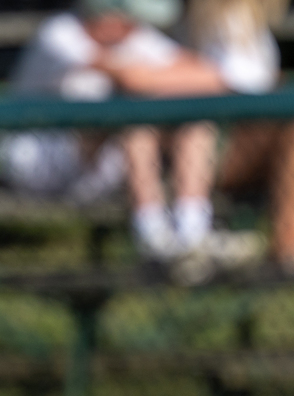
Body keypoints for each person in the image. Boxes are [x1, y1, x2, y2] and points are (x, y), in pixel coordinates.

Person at [2, 0, 230, 264]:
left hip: (103, 174)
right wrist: (158, 76)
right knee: (132, 114)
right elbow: (130, 79)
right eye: (127, 17)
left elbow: (213, 77)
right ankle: (151, 235)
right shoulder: (60, 33)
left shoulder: (135, 37)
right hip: (38, 170)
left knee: (192, 120)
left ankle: (191, 231)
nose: (134, 26)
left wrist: (153, 77)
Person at [185, 0, 294, 277]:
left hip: (238, 133)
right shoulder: (188, 16)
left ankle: (293, 244)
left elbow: (251, 82)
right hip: (191, 145)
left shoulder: (251, 21)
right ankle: (292, 247)